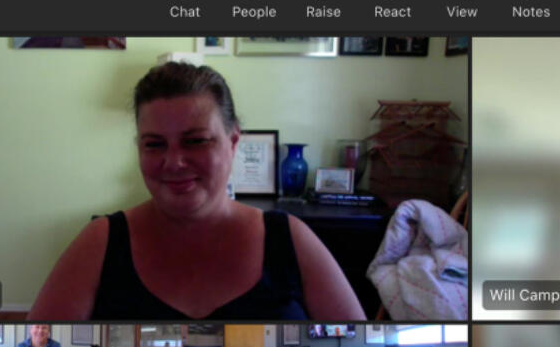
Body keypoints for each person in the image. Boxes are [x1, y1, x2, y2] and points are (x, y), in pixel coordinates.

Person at [30, 62, 365, 320]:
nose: (174, 162)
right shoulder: (99, 241)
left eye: (196, 141)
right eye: (154, 144)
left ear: (233, 142)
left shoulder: (290, 239)